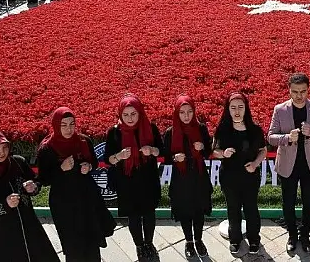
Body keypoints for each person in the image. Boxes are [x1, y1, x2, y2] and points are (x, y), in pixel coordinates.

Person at [0, 129, 59, 262]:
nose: (2, 153)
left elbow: (36, 181)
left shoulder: (17, 163)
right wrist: (5, 205)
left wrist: (33, 187)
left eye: (4, 147)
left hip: (28, 229)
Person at [37, 108, 116, 262]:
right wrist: (61, 169)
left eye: (72, 124)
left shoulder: (83, 141)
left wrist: (89, 166)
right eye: (64, 125)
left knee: (92, 238)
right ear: (56, 125)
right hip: (64, 202)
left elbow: (93, 161)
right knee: (73, 244)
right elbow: (44, 179)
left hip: (87, 196)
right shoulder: (47, 148)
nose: (68, 129)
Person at [268, 73, 310, 253]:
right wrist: (287, 137)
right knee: (288, 202)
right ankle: (292, 235)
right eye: (295, 91)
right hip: (288, 164)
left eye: (303, 91)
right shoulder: (280, 109)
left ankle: (305, 236)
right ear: (289, 90)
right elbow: (270, 137)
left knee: (309, 203)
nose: (299, 95)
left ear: (308, 90)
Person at [104, 94, 163, 261]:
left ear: (140, 113)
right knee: (134, 216)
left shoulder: (150, 128)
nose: (130, 118)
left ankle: (149, 243)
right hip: (127, 182)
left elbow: (162, 151)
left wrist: (151, 150)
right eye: (126, 114)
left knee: (149, 214)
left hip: (148, 180)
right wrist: (119, 156)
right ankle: (139, 245)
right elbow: (108, 159)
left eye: (133, 114)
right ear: (120, 114)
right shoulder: (115, 132)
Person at [213, 93, 267, 255]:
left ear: (246, 109)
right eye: (233, 107)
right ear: (228, 110)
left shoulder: (254, 129)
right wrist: (223, 153)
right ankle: (235, 239)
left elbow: (263, 151)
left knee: (251, 208)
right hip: (229, 177)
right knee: (233, 208)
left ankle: (254, 239)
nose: (237, 111)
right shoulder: (223, 129)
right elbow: (214, 151)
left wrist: (255, 164)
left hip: (250, 176)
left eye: (240, 107)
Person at [163, 95, 213, 258]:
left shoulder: (201, 128)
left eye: (189, 111)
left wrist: (203, 147)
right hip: (181, 178)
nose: (186, 115)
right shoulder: (171, 132)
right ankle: (189, 241)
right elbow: (166, 157)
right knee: (185, 211)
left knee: (198, 211)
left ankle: (198, 240)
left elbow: (208, 152)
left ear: (194, 112)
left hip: (198, 176)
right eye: (182, 112)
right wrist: (174, 158)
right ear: (177, 113)